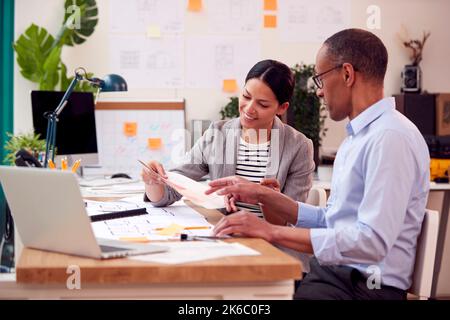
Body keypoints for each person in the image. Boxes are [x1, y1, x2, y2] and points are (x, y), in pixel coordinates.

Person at [206, 28, 430, 300]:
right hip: (334, 275)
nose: (319, 93)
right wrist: (263, 194)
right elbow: (331, 220)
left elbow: (371, 242)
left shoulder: (390, 138)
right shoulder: (359, 137)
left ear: (347, 74)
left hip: (363, 287)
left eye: (320, 79)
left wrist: (269, 231)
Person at [142, 59, 315, 217]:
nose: (249, 109)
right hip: (226, 237)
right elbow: (170, 193)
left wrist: (269, 200)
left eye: (262, 104)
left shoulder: (299, 147)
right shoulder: (217, 134)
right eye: (246, 96)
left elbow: (293, 218)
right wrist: (153, 181)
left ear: (282, 108)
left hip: (271, 242)